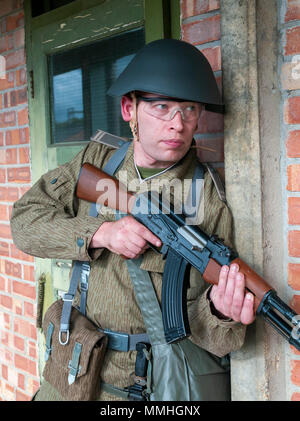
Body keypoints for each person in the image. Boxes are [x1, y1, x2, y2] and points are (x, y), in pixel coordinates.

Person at [10, 39, 255, 401]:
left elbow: (209, 338)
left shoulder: (206, 198)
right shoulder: (98, 161)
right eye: (161, 107)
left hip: (141, 388)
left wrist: (221, 310)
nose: (178, 123)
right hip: (70, 372)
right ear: (130, 108)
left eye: (189, 109)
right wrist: (101, 233)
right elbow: (24, 223)